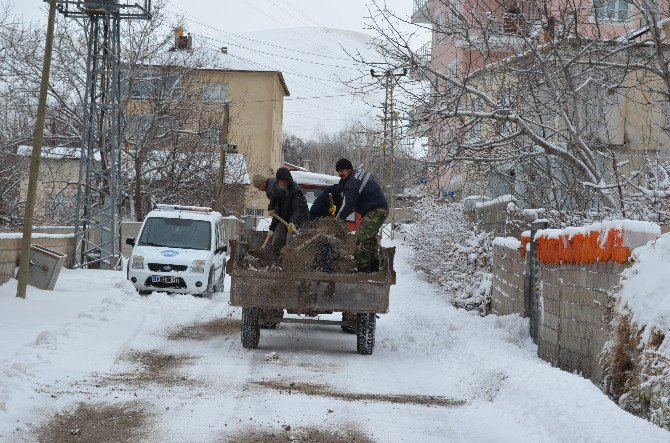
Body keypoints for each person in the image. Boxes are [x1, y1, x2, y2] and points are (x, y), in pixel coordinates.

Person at [335, 158, 388, 272]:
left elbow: (348, 206)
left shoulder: (351, 184)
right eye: (338, 171)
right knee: (370, 239)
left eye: (342, 170)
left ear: (349, 169)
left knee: (361, 238)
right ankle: (374, 267)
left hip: (376, 210)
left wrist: (338, 220)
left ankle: (362, 270)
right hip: (376, 208)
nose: (340, 174)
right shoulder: (358, 173)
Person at [267, 167, 309, 258]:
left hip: (298, 219)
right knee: (276, 240)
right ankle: (276, 262)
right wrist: (270, 209)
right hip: (284, 218)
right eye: (280, 180)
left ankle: (291, 264)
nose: (282, 182)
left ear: (288, 180)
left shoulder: (296, 190)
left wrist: (293, 223)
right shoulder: (275, 187)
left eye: (284, 180)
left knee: (290, 240)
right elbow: (274, 203)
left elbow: (297, 209)